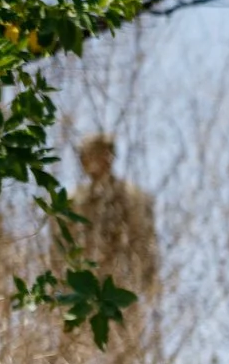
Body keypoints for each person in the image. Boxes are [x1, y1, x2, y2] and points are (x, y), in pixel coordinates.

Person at [64, 131, 160, 306]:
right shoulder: (72, 201)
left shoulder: (132, 197)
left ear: (107, 156)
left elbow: (145, 243)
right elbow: (62, 248)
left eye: (91, 153)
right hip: (81, 290)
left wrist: (148, 285)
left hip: (122, 285)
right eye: (82, 155)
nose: (84, 160)